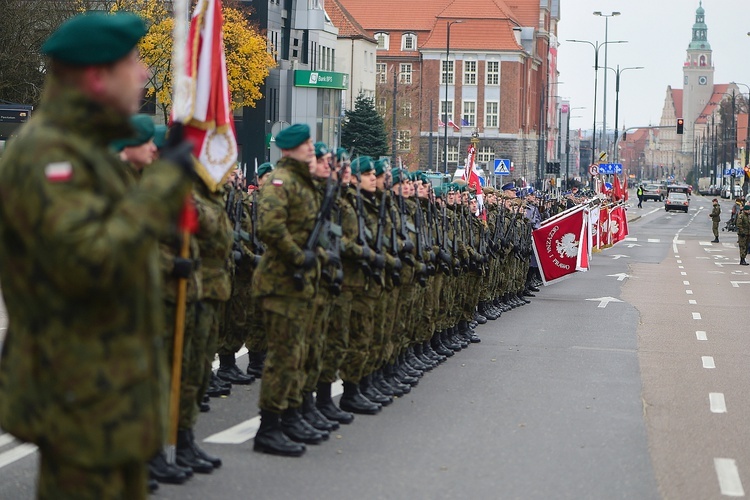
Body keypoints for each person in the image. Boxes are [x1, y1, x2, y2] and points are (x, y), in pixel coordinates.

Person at [0, 11, 194, 499]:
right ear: (96, 76)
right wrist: (163, 186)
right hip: (78, 402)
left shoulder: (83, 146)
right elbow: (89, 260)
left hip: (106, 397)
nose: (145, 72)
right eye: (133, 61)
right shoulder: (47, 151)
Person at [252, 123, 323, 457]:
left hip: (299, 283)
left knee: (296, 354)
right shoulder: (282, 181)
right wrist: (297, 256)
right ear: (289, 148)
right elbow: (269, 226)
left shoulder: (303, 181)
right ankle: (269, 428)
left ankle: (290, 416)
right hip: (281, 282)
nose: (312, 147)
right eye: (306, 143)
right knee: (282, 356)